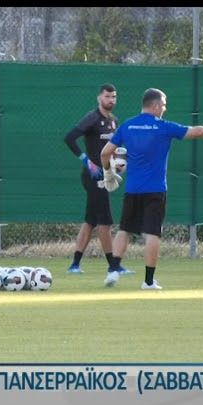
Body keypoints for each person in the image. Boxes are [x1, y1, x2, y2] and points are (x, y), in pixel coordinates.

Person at [100, 87, 203, 289]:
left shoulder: (127, 125)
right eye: (164, 105)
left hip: (132, 189)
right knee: (153, 234)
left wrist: (108, 174)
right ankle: (148, 282)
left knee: (124, 230)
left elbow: (105, 153)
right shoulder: (163, 127)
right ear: (156, 105)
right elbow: (198, 131)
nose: (165, 108)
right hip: (155, 190)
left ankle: (113, 271)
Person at [63, 83, 132, 275]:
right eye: (107, 96)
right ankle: (113, 266)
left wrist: (119, 164)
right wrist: (87, 161)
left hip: (106, 174)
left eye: (114, 96)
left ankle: (75, 265)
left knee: (90, 220)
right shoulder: (92, 118)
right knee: (105, 222)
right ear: (99, 98)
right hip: (93, 176)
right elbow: (69, 138)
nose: (111, 100)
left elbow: (115, 149)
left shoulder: (114, 121)